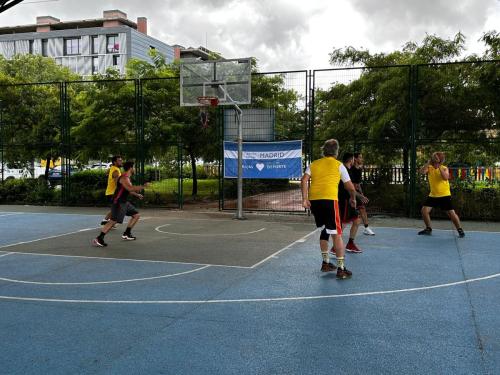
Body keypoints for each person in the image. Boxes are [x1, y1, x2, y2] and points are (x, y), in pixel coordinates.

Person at [301, 139, 357, 279]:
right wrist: (353, 198)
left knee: (325, 230)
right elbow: (350, 186)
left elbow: (303, 180)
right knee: (337, 233)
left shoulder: (314, 164)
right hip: (329, 201)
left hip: (315, 201)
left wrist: (304, 199)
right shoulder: (339, 165)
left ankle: (326, 263)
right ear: (337, 151)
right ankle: (341, 268)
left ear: (323, 151)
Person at [93, 161, 148, 247]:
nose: (135, 169)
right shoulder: (124, 178)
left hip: (124, 202)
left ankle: (127, 233)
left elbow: (128, 189)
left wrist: (137, 195)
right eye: (134, 168)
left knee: (136, 215)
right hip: (118, 202)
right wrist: (143, 186)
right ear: (130, 168)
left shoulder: (127, 178)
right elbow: (130, 188)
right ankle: (99, 238)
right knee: (113, 221)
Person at [418, 151, 465, 238]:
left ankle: (460, 230)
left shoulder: (444, 168)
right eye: (433, 158)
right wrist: (428, 162)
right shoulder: (429, 167)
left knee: (451, 213)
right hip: (433, 195)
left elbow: (445, 177)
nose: (434, 160)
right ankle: (428, 229)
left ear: (440, 160)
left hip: (444, 195)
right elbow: (422, 172)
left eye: (436, 158)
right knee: (424, 211)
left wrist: (439, 166)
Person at [331, 152, 370, 254]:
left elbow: (352, 187)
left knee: (356, 221)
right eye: (354, 159)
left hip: (348, 200)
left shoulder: (348, 170)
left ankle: (350, 244)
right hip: (344, 201)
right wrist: (358, 196)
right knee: (343, 224)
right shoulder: (344, 170)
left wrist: (355, 197)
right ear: (351, 159)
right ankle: (335, 247)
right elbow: (349, 188)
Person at [350, 153, 375, 235]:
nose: (362, 159)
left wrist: (361, 193)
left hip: (356, 191)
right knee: (350, 213)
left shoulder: (359, 169)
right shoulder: (351, 169)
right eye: (360, 157)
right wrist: (358, 194)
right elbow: (351, 184)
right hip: (350, 192)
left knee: (362, 209)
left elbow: (358, 183)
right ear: (355, 159)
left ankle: (366, 228)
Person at [100, 155, 123, 226]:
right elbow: (118, 183)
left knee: (117, 208)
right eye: (119, 160)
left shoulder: (112, 168)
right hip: (113, 193)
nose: (121, 161)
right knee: (118, 208)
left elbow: (107, 173)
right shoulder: (115, 170)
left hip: (111, 192)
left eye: (121, 160)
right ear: (114, 162)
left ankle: (108, 221)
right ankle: (106, 220)